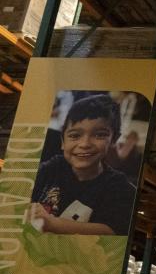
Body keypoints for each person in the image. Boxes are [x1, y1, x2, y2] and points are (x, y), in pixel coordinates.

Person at [29, 94, 137, 236]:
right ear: (62, 141)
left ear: (113, 140)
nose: (85, 144)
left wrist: (50, 223)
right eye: (74, 136)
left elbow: (111, 231)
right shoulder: (50, 168)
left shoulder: (119, 187)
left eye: (99, 135)